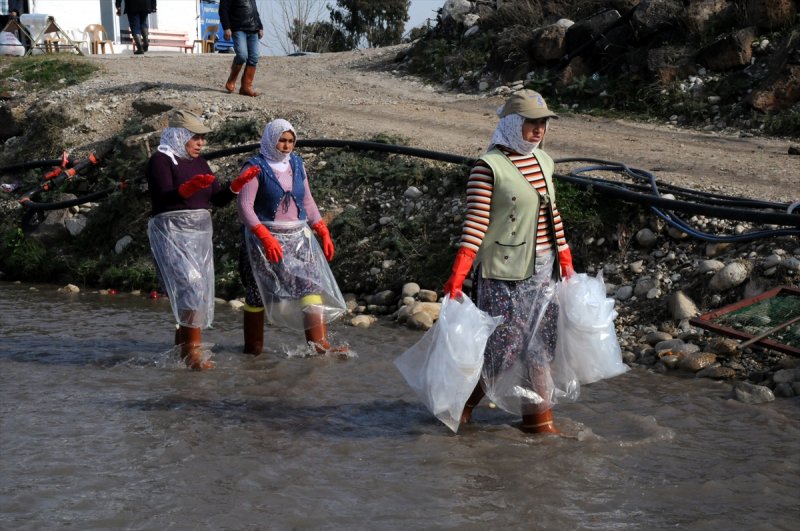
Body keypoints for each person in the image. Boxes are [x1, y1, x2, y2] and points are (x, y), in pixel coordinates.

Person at [443, 89, 575, 435]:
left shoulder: (544, 161)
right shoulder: (487, 169)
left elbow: (552, 214)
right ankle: (464, 405)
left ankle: (540, 423)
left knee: (540, 348)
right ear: (514, 124)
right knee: (503, 349)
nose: (539, 131)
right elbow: (474, 226)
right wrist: (458, 276)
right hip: (504, 273)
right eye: (532, 124)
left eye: (543, 124)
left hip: (543, 269)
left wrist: (565, 257)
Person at [146, 110, 259, 370]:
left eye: (202, 138)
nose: (201, 143)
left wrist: (236, 185)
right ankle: (194, 354)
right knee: (191, 287)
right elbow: (163, 197)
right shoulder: (160, 160)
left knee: (195, 289)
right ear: (179, 135)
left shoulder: (200, 162)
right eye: (195, 138)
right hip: (171, 232)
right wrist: (188, 188)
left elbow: (216, 199)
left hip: (198, 234)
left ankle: (182, 353)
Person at [236, 119, 346, 356]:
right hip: (261, 243)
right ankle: (252, 351)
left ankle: (319, 346)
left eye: (290, 141)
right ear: (270, 140)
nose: (286, 146)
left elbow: (307, 200)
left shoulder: (296, 164)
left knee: (310, 287)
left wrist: (322, 230)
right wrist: (264, 236)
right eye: (281, 141)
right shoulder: (254, 167)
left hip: (297, 239)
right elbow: (245, 207)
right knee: (257, 293)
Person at [219, 0, 263, 97]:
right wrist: (226, 27)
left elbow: (254, 11)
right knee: (242, 55)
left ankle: (245, 88)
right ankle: (231, 80)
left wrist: (260, 26)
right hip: (238, 29)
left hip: (253, 29)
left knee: (254, 57)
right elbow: (223, 10)